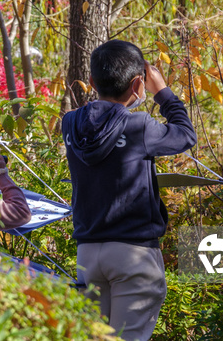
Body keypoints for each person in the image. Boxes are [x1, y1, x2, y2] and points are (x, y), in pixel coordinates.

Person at [62, 40, 197, 341]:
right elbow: (185, 135)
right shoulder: (139, 127)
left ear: (93, 81)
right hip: (133, 254)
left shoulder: (69, 123)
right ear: (139, 83)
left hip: (88, 253)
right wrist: (162, 92)